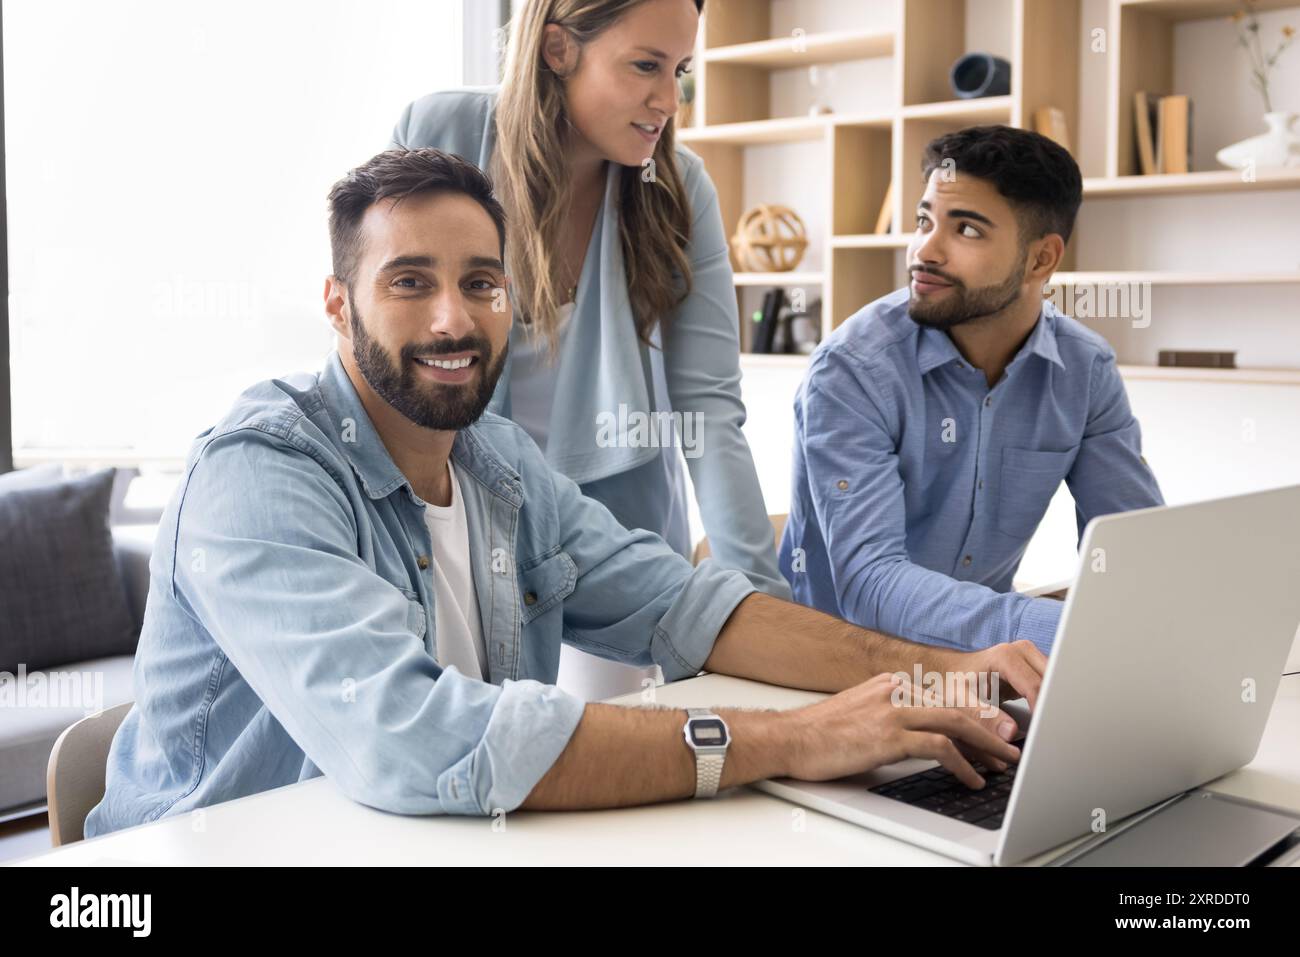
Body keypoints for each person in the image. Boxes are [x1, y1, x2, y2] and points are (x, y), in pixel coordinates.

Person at [85, 148, 1037, 835]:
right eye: (409, 281)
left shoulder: (496, 459)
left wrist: (938, 671)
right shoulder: (258, 474)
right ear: (339, 303)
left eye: (482, 282)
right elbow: (420, 742)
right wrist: (792, 739)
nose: (454, 318)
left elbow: (689, 605)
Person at [390, 0, 789, 699]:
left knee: (628, 765)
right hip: (447, 521)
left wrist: (764, 614)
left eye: (680, 71)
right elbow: (383, 331)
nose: (668, 100)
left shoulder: (678, 187)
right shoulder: (441, 133)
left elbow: (710, 417)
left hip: (614, 541)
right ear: (557, 50)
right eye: (645, 66)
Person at [779, 125, 1163, 653]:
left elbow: (1132, 548)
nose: (924, 251)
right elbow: (870, 586)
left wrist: (1158, 617)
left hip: (984, 675)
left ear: (1041, 260)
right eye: (924, 220)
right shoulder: (852, 371)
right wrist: (1065, 634)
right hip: (834, 676)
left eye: (967, 231)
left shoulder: (1084, 369)